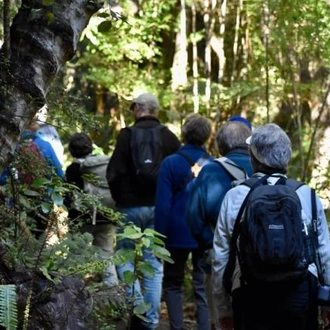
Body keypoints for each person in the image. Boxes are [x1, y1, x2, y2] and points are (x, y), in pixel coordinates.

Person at [213, 123, 330, 330]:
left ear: (253, 158)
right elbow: (323, 254)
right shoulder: (306, 195)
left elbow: (221, 257)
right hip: (300, 295)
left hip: (250, 295)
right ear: (286, 157)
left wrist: (223, 310)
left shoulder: (236, 196)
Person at [106, 92, 181, 330]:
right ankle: (150, 320)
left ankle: (137, 306)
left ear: (138, 108)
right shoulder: (169, 137)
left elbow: (113, 173)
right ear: (155, 110)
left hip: (129, 207)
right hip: (158, 209)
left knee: (124, 257)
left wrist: (122, 199)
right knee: (154, 262)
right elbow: (180, 173)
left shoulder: (126, 136)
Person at [185, 118, 252, 330]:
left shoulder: (210, 171)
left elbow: (193, 217)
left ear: (220, 145)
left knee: (220, 316)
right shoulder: (264, 167)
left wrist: (211, 243)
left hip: (217, 256)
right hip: (257, 258)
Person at [155, 114, 212, 330]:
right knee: (202, 285)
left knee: (172, 283)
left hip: (175, 233)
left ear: (184, 134)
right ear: (207, 137)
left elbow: (162, 206)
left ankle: (177, 327)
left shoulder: (170, 163)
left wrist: (158, 238)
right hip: (203, 234)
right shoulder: (214, 165)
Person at [65, 132, 118, 287]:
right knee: (106, 253)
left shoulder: (74, 169)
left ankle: (74, 288)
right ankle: (112, 287)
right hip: (106, 216)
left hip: (81, 218)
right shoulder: (103, 165)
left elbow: (69, 195)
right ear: (90, 147)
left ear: (72, 150)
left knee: (76, 253)